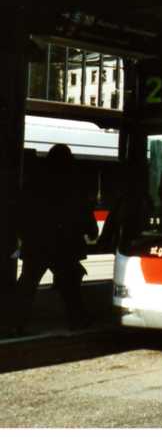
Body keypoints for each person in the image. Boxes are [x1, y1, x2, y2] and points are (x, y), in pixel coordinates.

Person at [5, 144, 97, 337]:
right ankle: (77, 319)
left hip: (37, 243)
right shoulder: (72, 182)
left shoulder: (35, 182)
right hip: (62, 244)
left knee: (28, 284)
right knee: (69, 285)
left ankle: (16, 323)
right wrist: (91, 229)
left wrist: (23, 236)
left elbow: (21, 211)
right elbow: (81, 209)